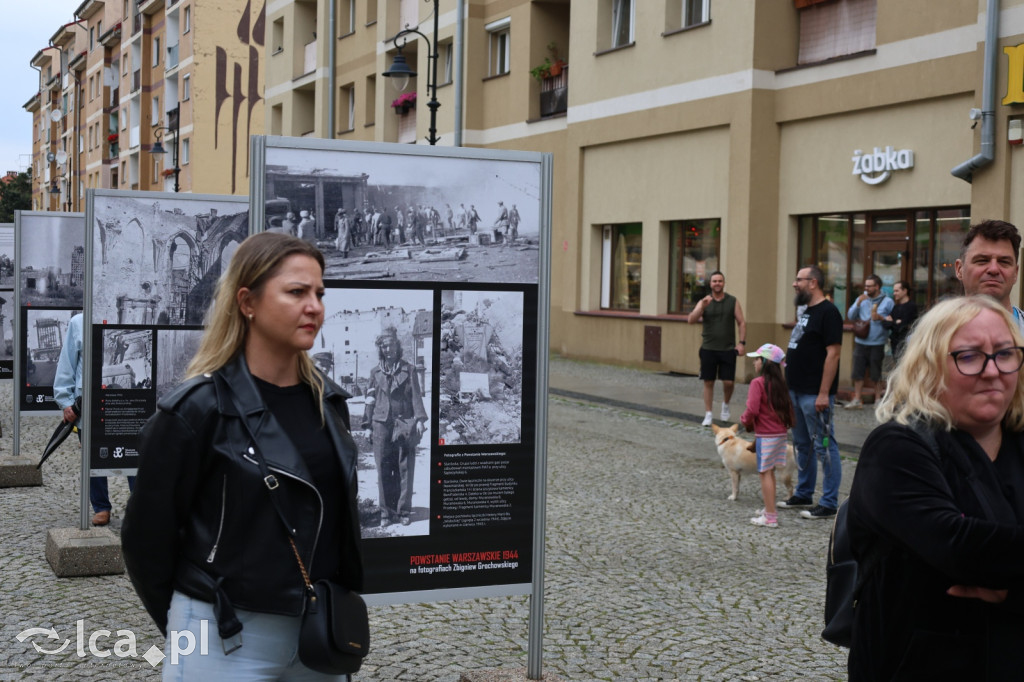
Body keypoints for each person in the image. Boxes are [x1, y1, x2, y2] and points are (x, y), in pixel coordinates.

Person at [121, 233, 363, 676]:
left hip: (318, 634)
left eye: (319, 293)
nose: (314, 306)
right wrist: (187, 623)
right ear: (247, 302)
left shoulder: (328, 403)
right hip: (222, 633)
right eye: (296, 292)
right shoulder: (195, 410)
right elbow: (145, 540)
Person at [847, 295, 1024, 680]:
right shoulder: (897, 448)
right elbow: (958, 545)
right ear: (929, 368)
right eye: (969, 355)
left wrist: (1011, 588)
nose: (993, 371)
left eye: (1005, 353)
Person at [54, 313, 135, 527]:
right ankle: (101, 507)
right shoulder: (78, 322)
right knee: (93, 456)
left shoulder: (126, 320)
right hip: (89, 400)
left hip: (123, 397)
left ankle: (140, 505)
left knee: (135, 453)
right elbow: (67, 362)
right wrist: (65, 400)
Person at [781, 265, 843, 519]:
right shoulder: (806, 311)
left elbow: (834, 354)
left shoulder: (829, 313)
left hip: (814, 395)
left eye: (799, 279)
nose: (795, 284)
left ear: (814, 282)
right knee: (802, 445)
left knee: (825, 447)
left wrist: (823, 393)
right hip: (796, 391)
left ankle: (829, 502)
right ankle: (804, 493)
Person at [361, 327, 428, 527]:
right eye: (384, 346)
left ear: (397, 346)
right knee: (383, 468)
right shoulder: (375, 372)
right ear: (380, 349)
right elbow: (370, 399)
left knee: (405, 467)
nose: (387, 349)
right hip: (381, 424)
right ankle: (386, 513)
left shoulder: (409, 369)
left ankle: (404, 511)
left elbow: (416, 396)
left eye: (390, 345)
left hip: (404, 423)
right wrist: (367, 425)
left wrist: (420, 420)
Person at [740, 343, 795, 529]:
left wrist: (744, 419)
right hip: (779, 434)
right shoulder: (779, 383)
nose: (754, 363)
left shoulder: (758, 383)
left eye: (757, 359)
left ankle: (770, 517)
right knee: (769, 471)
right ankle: (769, 508)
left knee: (764, 473)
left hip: (766, 435)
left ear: (765, 362)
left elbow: (752, 409)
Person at [687, 271, 747, 426]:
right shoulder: (704, 301)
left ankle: (725, 405)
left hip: (727, 349)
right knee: (708, 381)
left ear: (724, 283)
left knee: (728, 383)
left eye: (720, 281)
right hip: (708, 348)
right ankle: (708, 414)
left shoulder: (732, 301)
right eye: (714, 281)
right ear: (710, 284)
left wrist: (741, 343)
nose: (717, 283)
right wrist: (701, 308)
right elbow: (691, 320)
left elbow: (741, 322)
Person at [955, 219, 1024, 335]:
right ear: (959, 269)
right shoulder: (928, 340)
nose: (994, 269)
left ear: (1015, 273)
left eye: (1004, 262)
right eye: (982, 260)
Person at [844, 274, 894, 408]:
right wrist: (858, 303)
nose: (866, 288)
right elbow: (850, 315)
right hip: (861, 341)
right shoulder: (862, 299)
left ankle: (878, 400)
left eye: (869, 286)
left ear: (877, 287)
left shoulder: (888, 301)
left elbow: (891, 321)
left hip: (877, 342)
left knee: (876, 373)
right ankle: (857, 399)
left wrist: (881, 318)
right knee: (858, 372)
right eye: (865, 286)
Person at [882, 279, 918, 361]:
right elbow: (885, 324)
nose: (894, 293)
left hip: (906, 344)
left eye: (897, 291)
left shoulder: (911, 307)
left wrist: (892, 322)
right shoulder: (896, 307)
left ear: (905, 291)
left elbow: (902, 327)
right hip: (895, 343)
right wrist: (894, 322)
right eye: (894, 291)